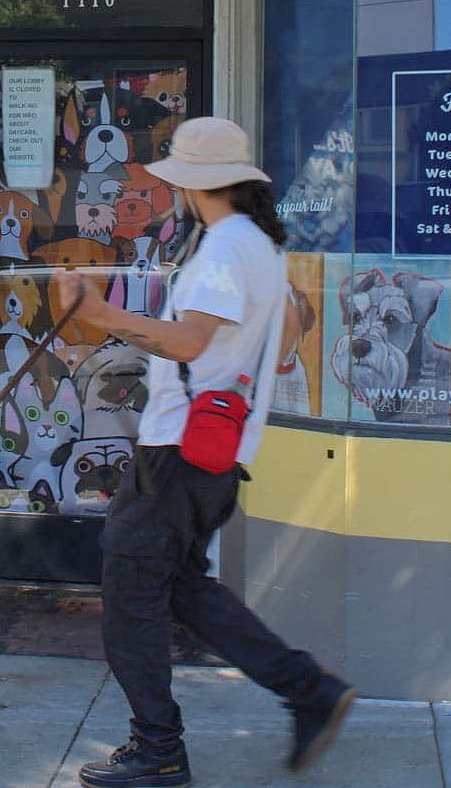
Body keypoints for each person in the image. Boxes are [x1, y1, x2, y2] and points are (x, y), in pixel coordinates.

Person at [50, 116, 355, 788]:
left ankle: (157, 749)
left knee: (130, 591)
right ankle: (309, 690)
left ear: (194, 186)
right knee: (184, 586)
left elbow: (188, 344)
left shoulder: (223, 249)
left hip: (177, 456)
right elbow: (283, 341)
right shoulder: (262, 250)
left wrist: (104, 319)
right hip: (217, 451)